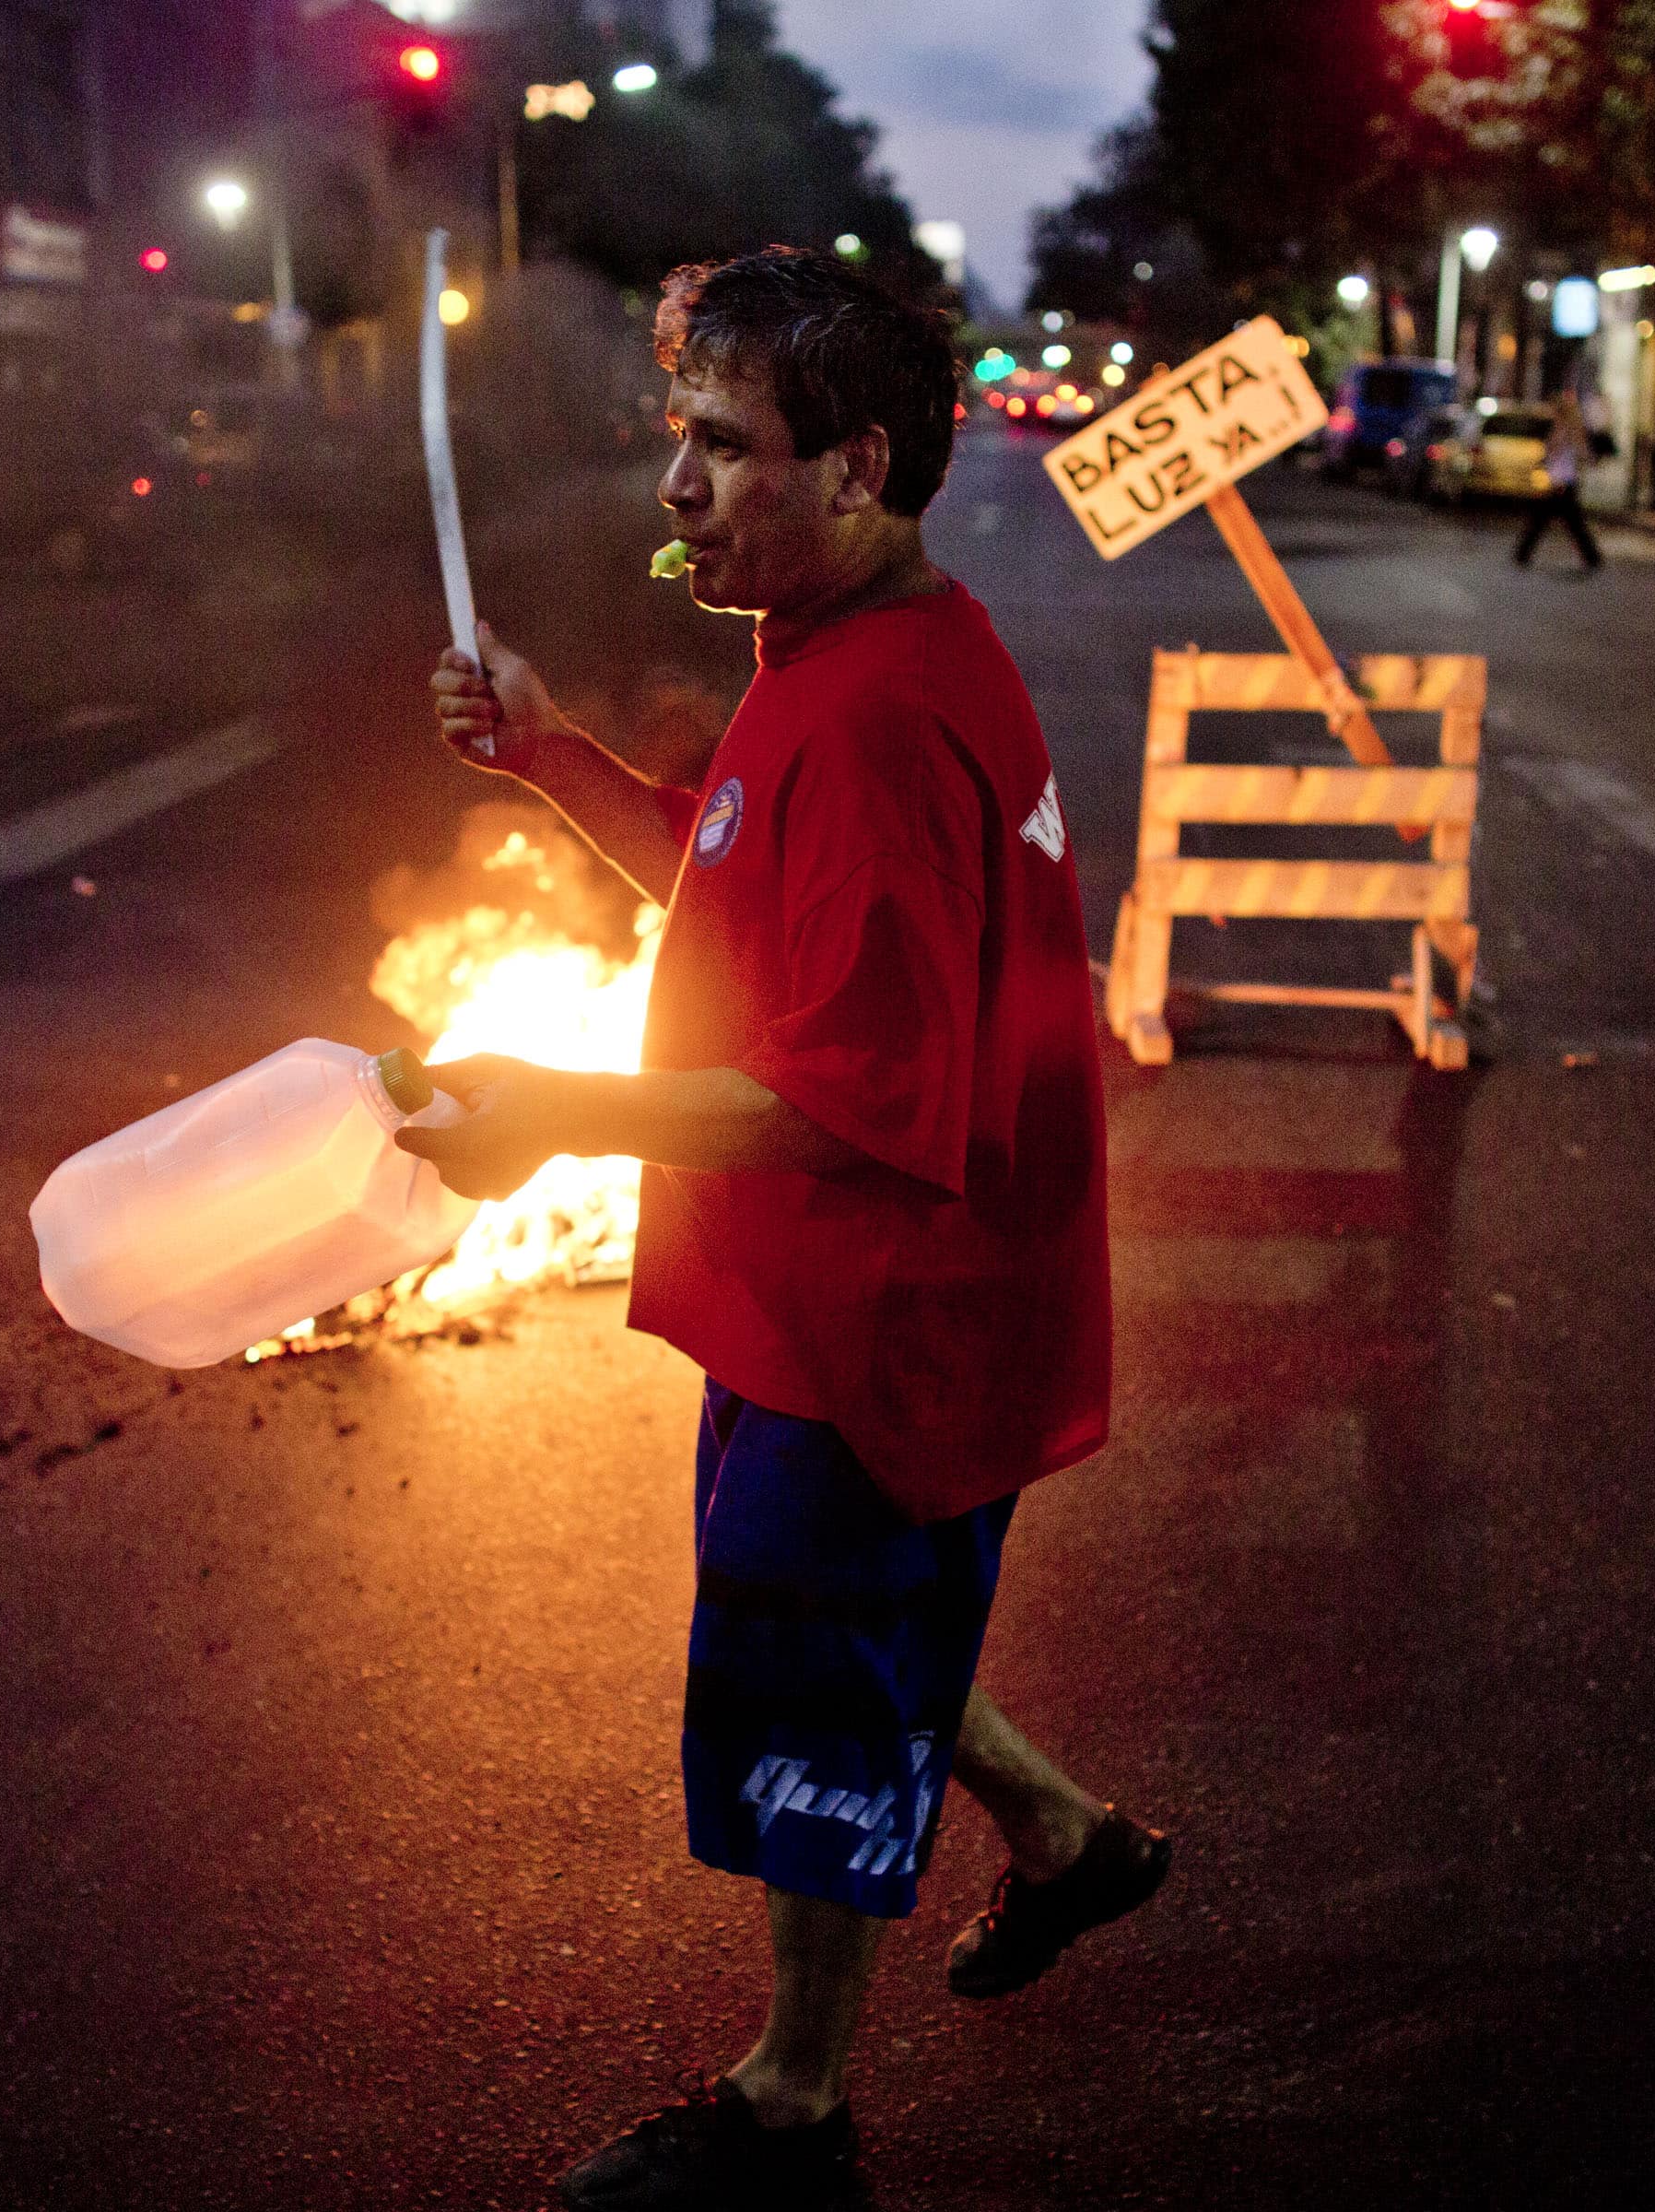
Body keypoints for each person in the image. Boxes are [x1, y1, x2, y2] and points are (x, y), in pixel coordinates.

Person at [411, 247, 1165, 2210]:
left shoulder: (885, 722)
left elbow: (847, 1102)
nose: (676, 490)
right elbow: (731, 886)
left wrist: (548, 1114)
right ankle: (1067, 1841)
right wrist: (557, 745)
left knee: (814, 1683)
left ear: (860, 468)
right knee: (832, 1627)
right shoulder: (834, 658)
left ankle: (792, 2115)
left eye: (723, 448)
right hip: (824, 1312)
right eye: (678, 436)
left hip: (887, 1328)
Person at [1510, 380, 1602, 570]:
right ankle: (1591, 557)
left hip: (1563, 483)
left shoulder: (1568, 430)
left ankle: (1523, 554)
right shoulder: (1560, 429)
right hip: (1558, 481)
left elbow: (1575, 452)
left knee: (1554, 522)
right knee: (1561, 522)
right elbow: (1552, 453)